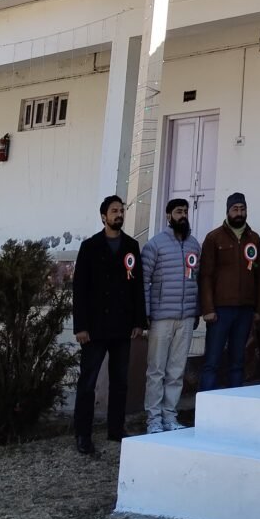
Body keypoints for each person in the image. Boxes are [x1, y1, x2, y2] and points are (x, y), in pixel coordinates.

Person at [72, 195, 147, 455]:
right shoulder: (90, 246)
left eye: (121, 210)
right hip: (94, 327)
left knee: (120, 381)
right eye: (114, 211)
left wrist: (139, 321)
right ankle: (83, 433)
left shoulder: (131, 246)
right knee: (88, 382)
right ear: (104, 216)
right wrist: (80, 326)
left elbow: (137, 286)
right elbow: (79, 288)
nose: (119, 214)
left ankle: (116, 429)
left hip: (122, 325)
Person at [141, 198, 201, 433]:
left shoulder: (195, 246)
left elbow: (196, 281)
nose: (183, 215)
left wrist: (195, 312)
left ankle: (169, 416)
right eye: (178, 211)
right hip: (161, 317)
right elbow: (144, 281)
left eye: (185, 211)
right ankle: (153, 419)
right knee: (156, 370)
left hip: (185, 318)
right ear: (168, 216)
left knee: (176, 371)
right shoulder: (154, 245)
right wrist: (145, 313)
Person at [198, 192, 260, 391]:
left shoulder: (254, 238)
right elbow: (206, 276)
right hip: (220, 311)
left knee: (238, 361)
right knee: (212, 361)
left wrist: (259, 309)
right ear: (227, 211)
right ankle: (206, 409)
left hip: (245, 310)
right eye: (235, 209)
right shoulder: (213, 238)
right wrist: (208, 308)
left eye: (242, 209)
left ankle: (234, 405)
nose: (239, 213)